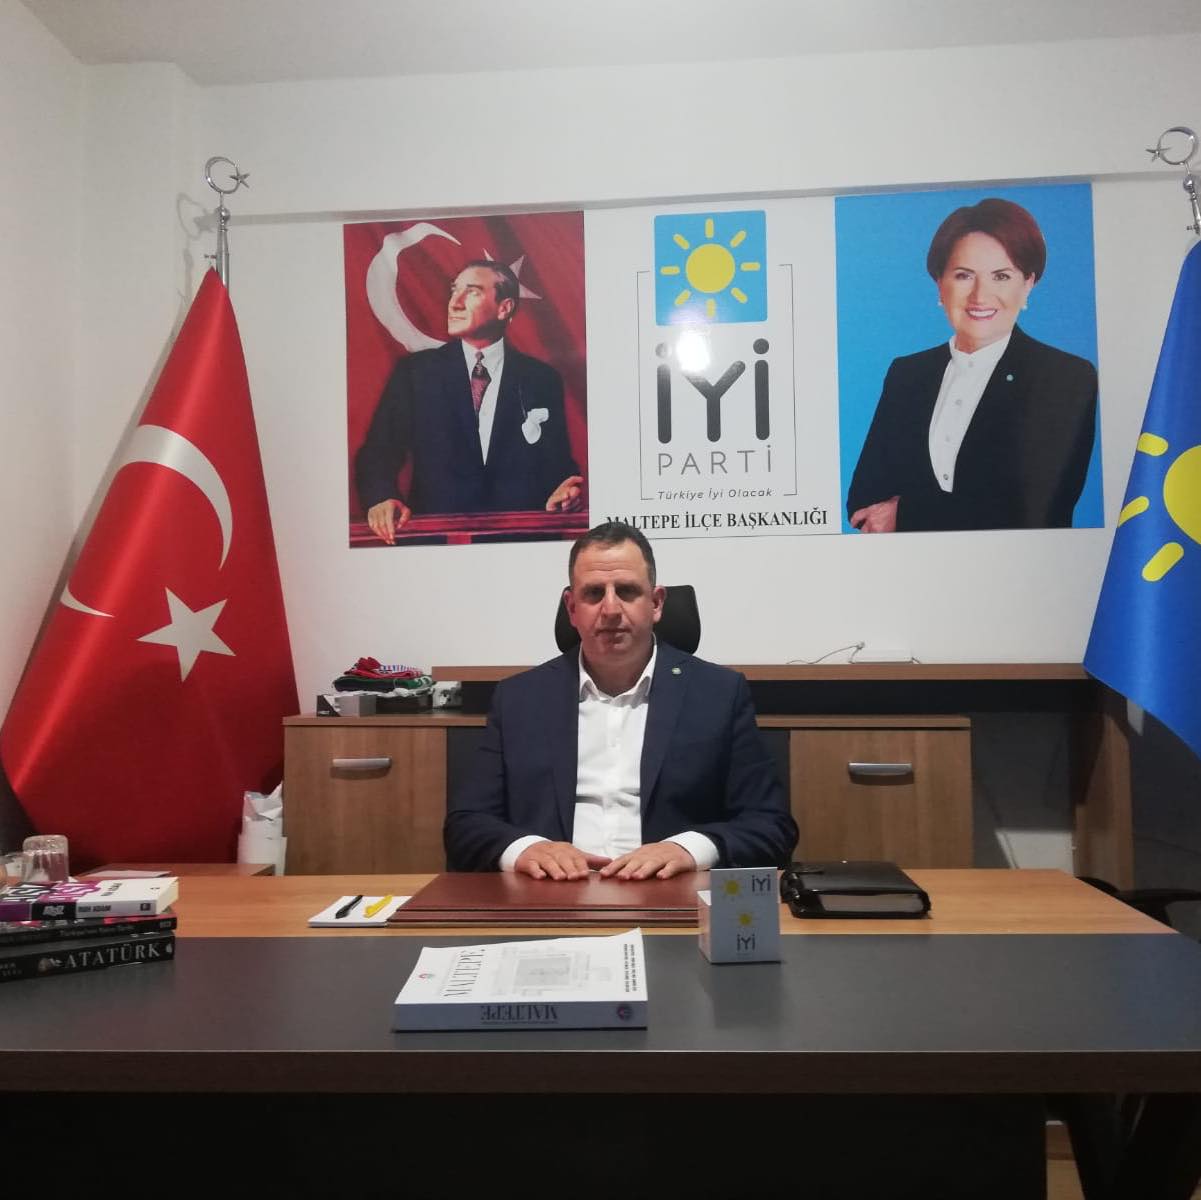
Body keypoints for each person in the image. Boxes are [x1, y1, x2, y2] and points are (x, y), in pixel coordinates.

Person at [444, 521, 798, 879]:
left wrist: (688, 849)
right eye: (594, 593)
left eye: (627, 591)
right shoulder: (519, 699)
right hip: (550, 894)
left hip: (670, 893)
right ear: (572, 608)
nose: (611, 609)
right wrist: (525, 849)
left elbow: (771, 826)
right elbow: (466, 825)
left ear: (656, 603)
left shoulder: (718, 694)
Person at [846, 198, 1097, 533]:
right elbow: (863, 500)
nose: (980, 295)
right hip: (909, 564)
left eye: (1001, 276)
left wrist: (905, 515)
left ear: (1028, 284)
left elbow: (1036, 507)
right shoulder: (908, 374)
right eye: (964, 275)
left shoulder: (1064, 377)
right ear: (940, 284)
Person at [356, 260, 584, 544]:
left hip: (518, 544)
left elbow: (557, 464)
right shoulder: (416, 373)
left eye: (472, 292)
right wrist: (381, 497)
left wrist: (566, 491)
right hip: (436, 546)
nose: (455, 303)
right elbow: (378, 453)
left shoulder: (542, 378)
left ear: (504, 308)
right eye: (454, 291)